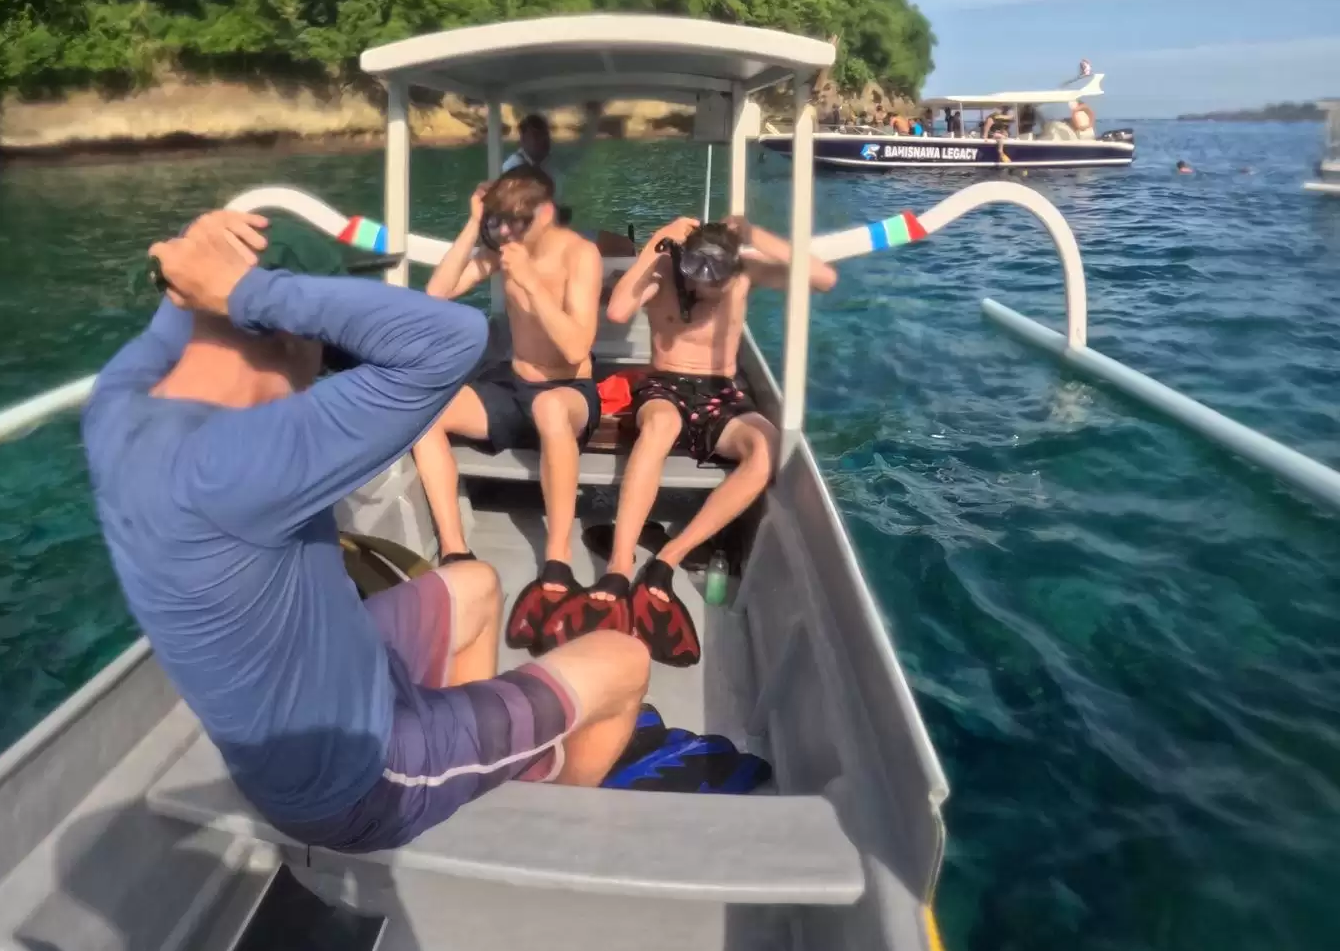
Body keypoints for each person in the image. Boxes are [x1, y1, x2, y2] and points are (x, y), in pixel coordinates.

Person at [81, 208, 648, 854]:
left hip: (330, 681)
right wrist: (244, 288)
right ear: (290, 333)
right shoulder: (243, 462)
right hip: (359, 781)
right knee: (621, 660)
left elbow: (168, 331)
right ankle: (545, 830)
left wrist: (200, 256)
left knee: (474, 584)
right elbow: (452, 339)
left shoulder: (116, 409)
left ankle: (469, 762)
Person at [546, 214, 836, 669]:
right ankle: (620, 565)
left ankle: (666, 559)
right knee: (660, 427)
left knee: (766, 448)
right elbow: (619, 312)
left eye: (715, 280)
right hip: (664, 386)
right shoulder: (662, 271)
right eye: (697, 278)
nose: (705, 288)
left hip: (721, 392)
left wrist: (753, 232)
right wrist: (659, 242)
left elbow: (824, 278)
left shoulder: (745, 271)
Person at [411, 165, 605, 648]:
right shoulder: (501, 252)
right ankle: (455, 551)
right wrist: (471, 225)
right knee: (424, 411)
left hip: (567, 395)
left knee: (550, 412)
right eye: (498, 222)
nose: (505, 233)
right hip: (513, 387)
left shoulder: (580, 254)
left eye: (514, 221)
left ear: (543, 213)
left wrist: (533, 284)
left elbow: (576, 348)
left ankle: (557, 557)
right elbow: (436, 296)